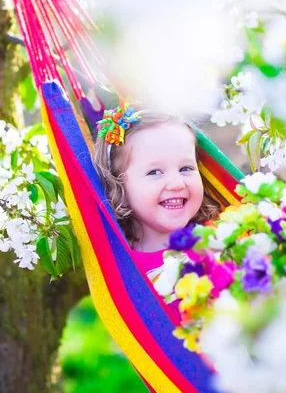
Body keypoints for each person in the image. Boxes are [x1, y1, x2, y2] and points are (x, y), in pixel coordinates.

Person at [92, 103, 220, 293]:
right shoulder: (125, 275)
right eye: (155, 172)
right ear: (118, 187)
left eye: (186, 168)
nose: (177, 184)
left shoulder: (220, 239)